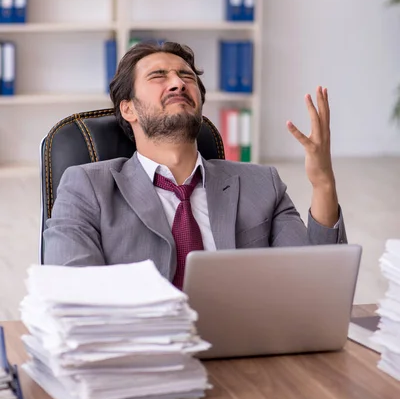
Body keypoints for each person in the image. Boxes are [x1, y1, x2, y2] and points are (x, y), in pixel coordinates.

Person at [44, 41, 347, 288]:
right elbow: (74, 293)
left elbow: (313, 286)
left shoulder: (262, 184)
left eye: (186, 76)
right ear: (128, 108)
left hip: (244, 350)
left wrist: (323, 183)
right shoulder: (86, 187)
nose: (177, 82)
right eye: (158, 76)